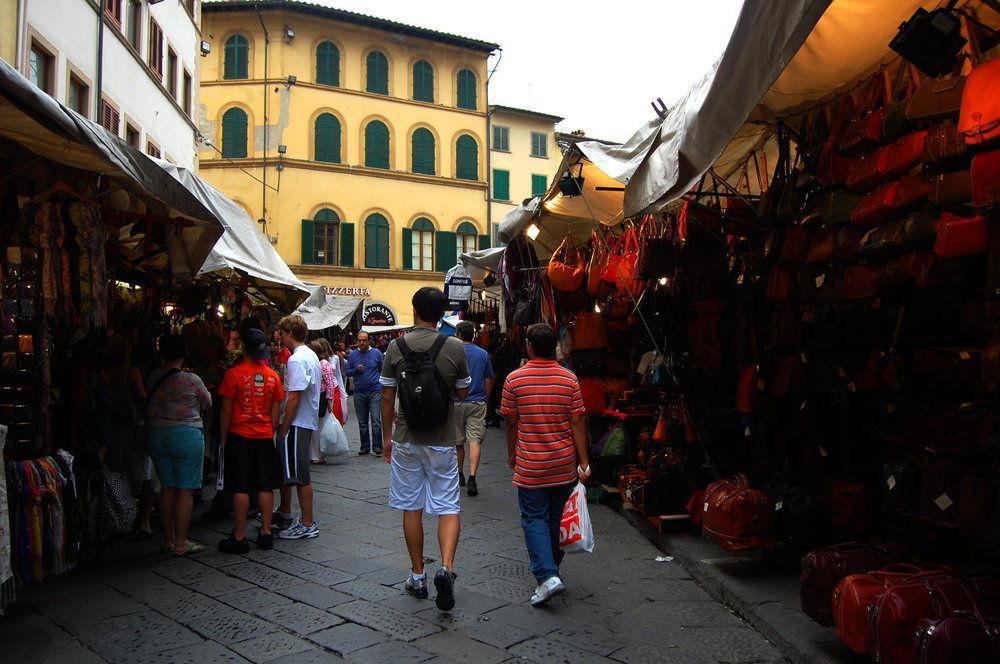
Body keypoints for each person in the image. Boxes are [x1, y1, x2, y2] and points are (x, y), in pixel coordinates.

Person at [380, 287, 470, 611]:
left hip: (406, 437)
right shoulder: (455, 346)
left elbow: (387, 398)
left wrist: (386, 437)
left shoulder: (395, 346)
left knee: (411, 506)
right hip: (442, 440)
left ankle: (418, 575)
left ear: (414, 308)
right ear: (442, 313)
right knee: (448, 505)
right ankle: (445, 567)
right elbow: (462, 394)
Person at [501, 323, 591, 606]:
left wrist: (512, 454)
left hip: (531, 465)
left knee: (533, 518)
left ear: (529, 346)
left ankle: (547, 575)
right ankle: (553, 569)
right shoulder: (569, 379)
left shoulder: (514, 380)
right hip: (563, 464)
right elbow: (577, 421)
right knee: (555, 519)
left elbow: (511, 422)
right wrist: (584, 460)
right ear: (554, 347)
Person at [217, 329, 285, 553]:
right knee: (266, 486)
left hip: (240, 436)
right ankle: (265, 533)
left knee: (241, 487)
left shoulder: (234, 375)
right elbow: (276, 411)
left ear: (244, 348)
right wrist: (270, 431)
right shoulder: (273, 376)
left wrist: (224, 437)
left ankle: (239, 537)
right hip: (265, 436)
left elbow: (226, 410)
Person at [147, 334, 213, 556]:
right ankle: (181, 541)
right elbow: (208, 402)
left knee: (167, 486)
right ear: (184, 355)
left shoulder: (153, 376)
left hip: (157, 433)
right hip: (186, 434)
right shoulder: (192, 379)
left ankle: (168, 539)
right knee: (185, 489)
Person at [93, 335, 154, 537]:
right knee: (145, 478)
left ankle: (119, 513)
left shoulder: (102, 375)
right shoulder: (132, 373)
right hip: (133, 430)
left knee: (117, 474)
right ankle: (139, 520)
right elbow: (141, 399)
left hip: (112, 430)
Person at [273, 314, 322, 540]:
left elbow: (294, 396)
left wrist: (284, 425)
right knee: (291, 472)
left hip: (298, 423)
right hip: (305, 421)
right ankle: (286, 512)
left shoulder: (296, 360)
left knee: (300, 476)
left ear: (290, 333)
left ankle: (307, 523)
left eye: (282, 334)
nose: (280, 338)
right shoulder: (310, 355)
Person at [453, 321, 494, 498]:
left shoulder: (453, 353)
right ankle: (472, 477)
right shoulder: (483, 354)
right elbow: (489, 378)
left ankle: (459, 474)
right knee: (474, 441)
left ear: (459, 335)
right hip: (477, 402)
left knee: (457, 442)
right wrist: (486, 396)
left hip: (455, 402)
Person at [308, 339, 345, 464]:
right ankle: (316, 453)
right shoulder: (318, 363)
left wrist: (329, 400)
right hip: (317, 397)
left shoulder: (324, 364)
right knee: (316, 427)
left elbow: (330, 383)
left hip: (322, 398)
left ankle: (320, 454)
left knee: (320, 427)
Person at [347, 331, 384, 455]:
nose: (361, 342)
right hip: (359, 392)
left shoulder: (376, 353)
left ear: (369, 341)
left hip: (375, 390)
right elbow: (347, 372)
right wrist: (355, 370)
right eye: (359, 340)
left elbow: (382, 369)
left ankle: (378, 446)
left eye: (364, 340)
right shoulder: (353, 355)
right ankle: (365, 447)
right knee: (362, 422)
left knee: (375, 420)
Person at [321, 338, 349, 425]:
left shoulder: (335, 358)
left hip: (335, 388)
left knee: (336, 415)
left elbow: (338, 375)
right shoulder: (317, 360)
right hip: (323, 390)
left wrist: (343, 393)